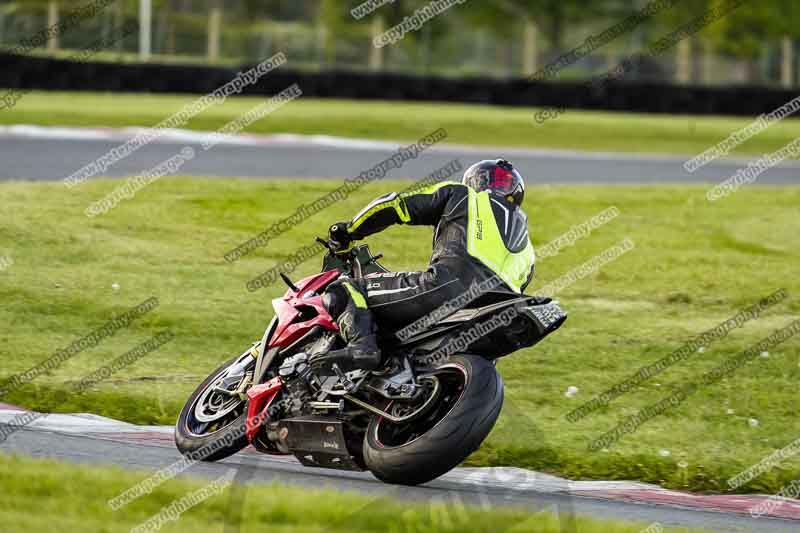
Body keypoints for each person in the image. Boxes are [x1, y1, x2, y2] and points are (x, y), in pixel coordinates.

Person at [310, 159, 536, 374]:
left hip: (447, 285)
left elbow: (393, 206)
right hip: (497, 313)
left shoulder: (462, 193)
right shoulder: (529, 252)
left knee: (342, 289)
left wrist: (348, 231)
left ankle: (361, 345)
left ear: (476, 181)